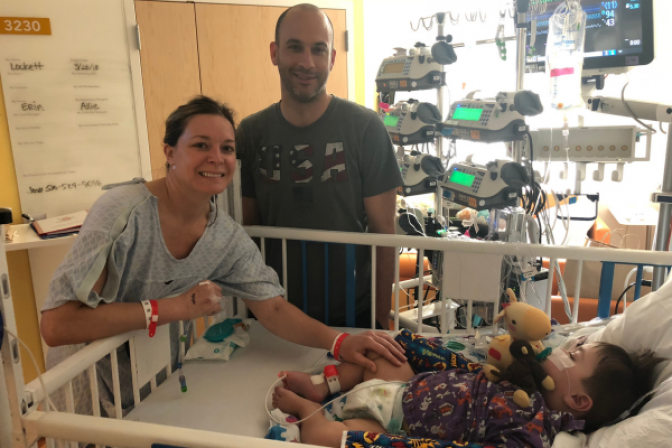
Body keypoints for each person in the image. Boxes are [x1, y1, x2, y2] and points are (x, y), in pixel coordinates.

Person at [40, 96, 405, 417]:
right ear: (170, 152)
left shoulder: (222, 236)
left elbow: (273, 308)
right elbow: (57, 326)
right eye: (201, 145)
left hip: (147, 379)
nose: (217, 158)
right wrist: (175, 309)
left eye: (228, 148)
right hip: (80, 379)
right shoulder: (121, 214)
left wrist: (339, 342)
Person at [237, 3, 403, 329]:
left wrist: (381, 321)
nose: (306, 62)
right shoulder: (250, 133)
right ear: (275, 53)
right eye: (294, 47)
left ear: (332, 58)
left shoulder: (366, 128)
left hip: (351, 319)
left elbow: (385, 233)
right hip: (272, 317)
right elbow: (245, 234)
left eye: (318, 49)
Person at [272, 342, 663, 448]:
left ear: (579, 401)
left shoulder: (535, 430)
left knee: (331, 437)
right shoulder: (527, 382)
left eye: (574, 355)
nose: (563, 351)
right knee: (379, 354)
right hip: (408, 384)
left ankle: (309, 411)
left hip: (396, 421)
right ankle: (325, 388)